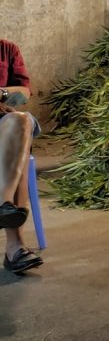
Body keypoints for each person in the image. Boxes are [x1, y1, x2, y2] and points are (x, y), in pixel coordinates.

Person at [0, 39, 41, 274]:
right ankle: (15, 248)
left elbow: (24, 91)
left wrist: (2, 93)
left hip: (3, 123)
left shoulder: (8, 48)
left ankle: (3, 204)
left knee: (22, 120)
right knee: (19, 151)